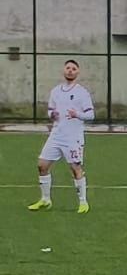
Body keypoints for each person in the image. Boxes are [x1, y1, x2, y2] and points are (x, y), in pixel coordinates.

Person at [28, 59, 94, 214]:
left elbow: (91, 115)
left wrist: (77, 114)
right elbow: (50, 110)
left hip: (73, 138)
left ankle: (83, 202)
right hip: (56, 135)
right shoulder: (56, 91)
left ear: (78, 72)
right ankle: (45, 199)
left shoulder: (82, 92)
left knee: (75, 169)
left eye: (73, 68)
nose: (70, 70)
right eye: (68, 68)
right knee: (42, 165)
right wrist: (52, 114)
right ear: (63, 70)